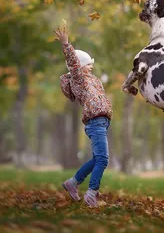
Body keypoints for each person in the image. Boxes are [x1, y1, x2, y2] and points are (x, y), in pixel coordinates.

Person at [54, 25, 113, 208]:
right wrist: (66, 44)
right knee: (103, 159)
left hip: (101, 122)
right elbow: (72, 62)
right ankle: (91, 193)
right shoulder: (78, 79)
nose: (92, 66)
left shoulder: (92, 80)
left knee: (97, 159)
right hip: (95, 122)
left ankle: (73, 182)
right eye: (88, 64)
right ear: (79, 67)